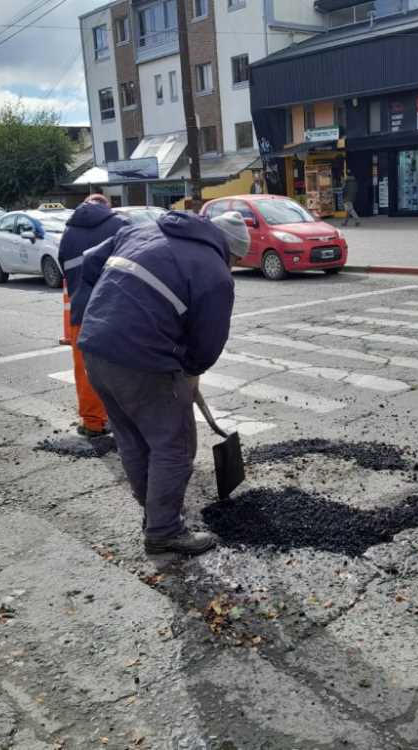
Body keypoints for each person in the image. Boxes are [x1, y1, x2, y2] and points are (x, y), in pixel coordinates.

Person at [78, 211, 250, 556]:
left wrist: (113, 309)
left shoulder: (144, 229)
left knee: (133, 439)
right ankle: (164, 530)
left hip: (95, 347)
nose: (233, 266)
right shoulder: (215, 274)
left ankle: (156, 515)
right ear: (229, 252)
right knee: (174, 444)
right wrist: (189, 371)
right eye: (236, 260)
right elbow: (207, 345)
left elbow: (90, 262)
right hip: (144, 359)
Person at [58, 193, 130, 438]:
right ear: (107, 207)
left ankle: (93, 423)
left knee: (86, 370)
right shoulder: (119, 225)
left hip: (81, 309)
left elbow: (65, 272)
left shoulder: (68, 232)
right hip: (115, 309)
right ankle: (126, 421)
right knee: (123, 367)